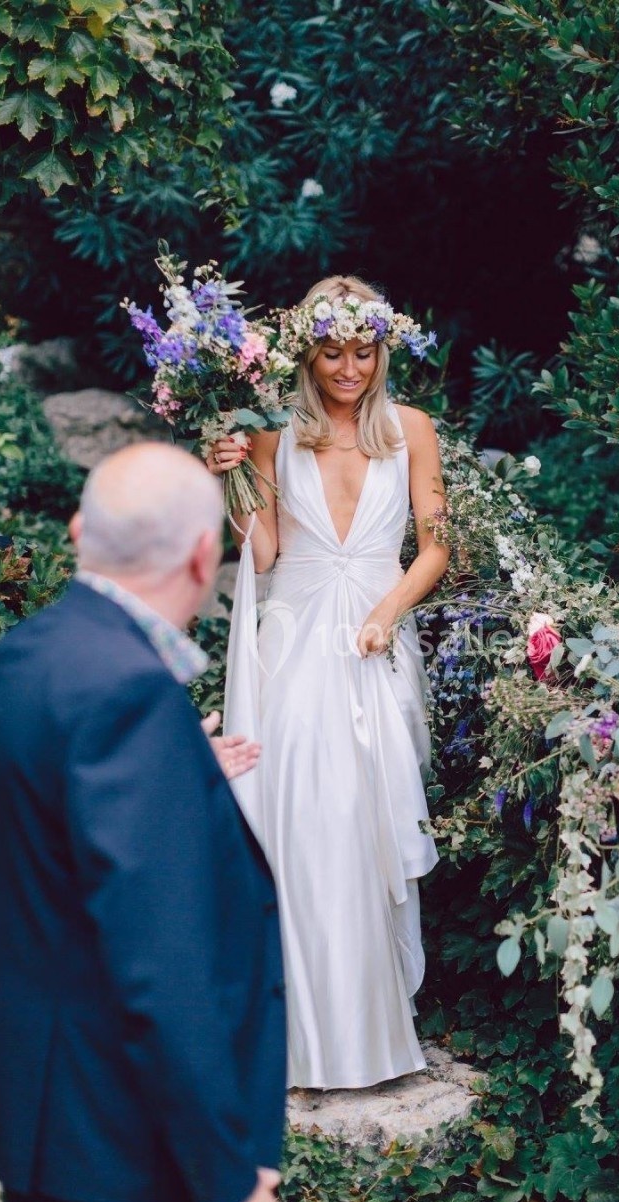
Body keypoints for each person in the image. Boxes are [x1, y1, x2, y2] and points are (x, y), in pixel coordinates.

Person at [0, 443, 287, 1202]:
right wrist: (223, 1177)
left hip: (40, 1120)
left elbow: (54, 844)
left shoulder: (21, 659)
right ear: (201, 556)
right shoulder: (130, 696)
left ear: (80, 532)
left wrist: (182, 780)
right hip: (118, 1143)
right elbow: (158, 964)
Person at [207, 276, 449, 1090]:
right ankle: (303, 1037)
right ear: (307, 353)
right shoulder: (276, 435)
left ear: (383, 349)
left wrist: (386, 614)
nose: (349, 368)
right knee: (302, 824)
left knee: (365, 824)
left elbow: (436, 549)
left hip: (376, 639)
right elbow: (267, 554)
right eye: (332, 351)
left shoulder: (412, 429)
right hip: (298, 643)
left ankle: (373, 1031)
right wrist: (232, 479)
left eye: (363, 350)